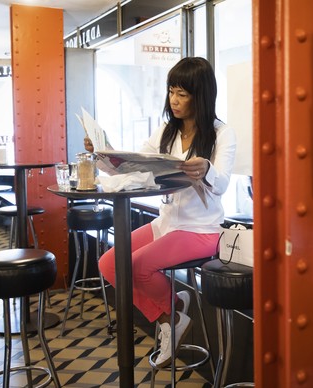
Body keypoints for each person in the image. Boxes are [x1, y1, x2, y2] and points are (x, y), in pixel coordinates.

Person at [85, 57, 236, 367]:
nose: (174, 100)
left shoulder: (222, 134)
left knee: (137, 266)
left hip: (201, 230)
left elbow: (221, 185)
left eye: (182, 93)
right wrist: (104, 155)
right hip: (166, 223)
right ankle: (171, 315)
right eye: (171, 91)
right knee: (110, 263)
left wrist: (205, 168)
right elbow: (136, 167)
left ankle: (169, 318)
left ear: (201, 95)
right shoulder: (166, 130)